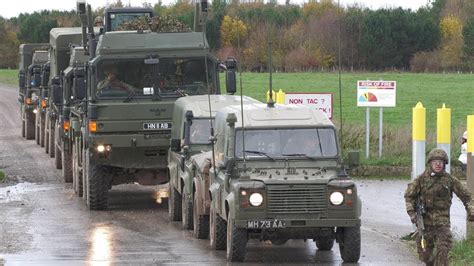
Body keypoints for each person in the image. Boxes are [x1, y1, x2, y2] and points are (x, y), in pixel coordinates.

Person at [404, 148, 474, 266]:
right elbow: (409, 197)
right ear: (430, 163)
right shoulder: (421, 180)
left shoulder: (449, 180)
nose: (438, 164)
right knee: (426, 257)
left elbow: (467, 196)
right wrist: (412, 213)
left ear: (444, 164)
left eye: (440, 162)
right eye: (435, 162)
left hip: (442, 224)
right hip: (425, 225)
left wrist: (471, 209)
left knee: (443, 253)